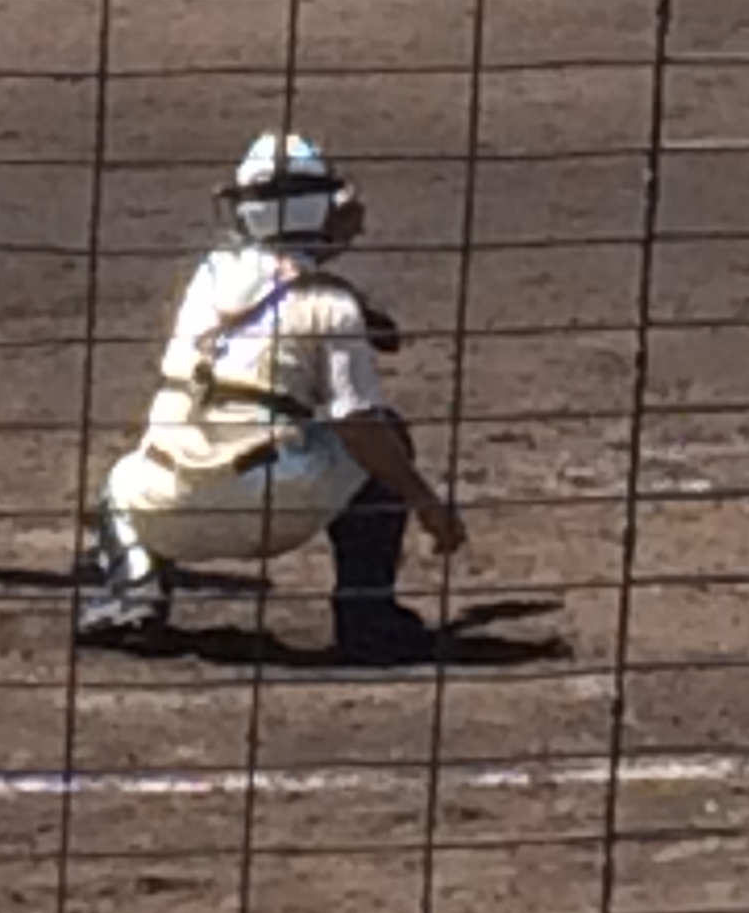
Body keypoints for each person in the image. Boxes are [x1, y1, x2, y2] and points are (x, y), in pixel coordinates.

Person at [78, 134, 466, 660]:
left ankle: (134, 594)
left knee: (122, 480)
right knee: (384, 432)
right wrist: (426, 502)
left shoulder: (208, 277)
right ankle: (366, 613)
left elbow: (275, 280)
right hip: (279, 502)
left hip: (168, 510)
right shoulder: (332, 306)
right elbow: (358, 424)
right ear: (323, 208)